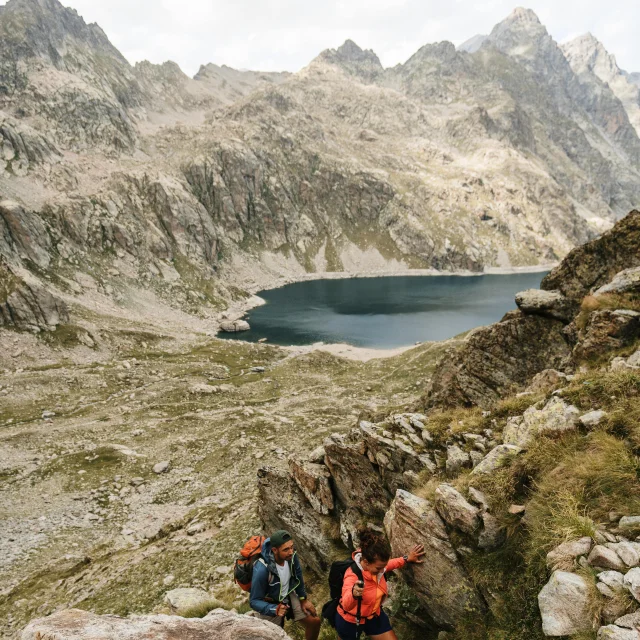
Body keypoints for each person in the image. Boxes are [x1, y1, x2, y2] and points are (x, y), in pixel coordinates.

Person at [336, 528, 425, 640]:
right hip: (350, 621)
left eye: (384, 566)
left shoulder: (377, 566)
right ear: (366, 562)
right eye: (379, 568)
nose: (383, 570)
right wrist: (353, 594)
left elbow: (389, 565)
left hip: (374, 616)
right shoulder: (352, 575)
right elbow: (346, 604)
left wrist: (406, 558)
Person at [249, 529, 321, 640]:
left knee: (314, 622)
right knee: (274, 637)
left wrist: (303, 599)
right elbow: (254, 601)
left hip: (287, 595)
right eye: (286, 549)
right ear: (274, 550)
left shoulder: (290, 557)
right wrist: (274, 609)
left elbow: (298, 576)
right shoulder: (262, 570)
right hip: (270, 603)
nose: (291, 552)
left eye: (292, 547)